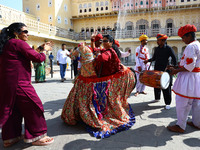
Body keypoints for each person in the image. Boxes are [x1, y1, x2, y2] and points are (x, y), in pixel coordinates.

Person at [61, 34, 136, 138]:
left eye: (106, 41)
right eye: (103, 41)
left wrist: (98, 55)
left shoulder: (110, 51)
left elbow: (103, 58)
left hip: (111, 77)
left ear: (111, 42)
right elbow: (96, 50)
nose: (104, 43)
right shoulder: (104, 50)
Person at [0, 22, 54, 147]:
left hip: (7, 84)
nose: (27, 34)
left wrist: (40, 48)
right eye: (25, 31)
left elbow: (26, 53)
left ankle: (10, 137)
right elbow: (37, 58)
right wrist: (44, 51)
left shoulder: (7, 44)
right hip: (19, 82)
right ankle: (37, 136)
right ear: (15, 32)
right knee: (34, 106)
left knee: (13, 109)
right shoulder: (18, 43)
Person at [167, 24, 200, 133]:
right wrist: (176, 67)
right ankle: (197, 123)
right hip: (196, 77)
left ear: (189, 36)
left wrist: (176, 71)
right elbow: (190, 64)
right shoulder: (198, 44)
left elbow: (189, 67)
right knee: (196, 103)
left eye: (183, 37)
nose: (182, 40)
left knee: (183, 102)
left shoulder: (191, 46)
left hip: (188, 79)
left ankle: (180, 126)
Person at [144, 34, 177, 110]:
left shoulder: (168, 48)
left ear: (163, 41)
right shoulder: (157, 49)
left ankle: (167, 103)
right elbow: (154, 58)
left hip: (165, 70)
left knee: (166, 87)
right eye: (157, 40)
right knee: (156, 84)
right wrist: (148, 61)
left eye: (158, 40)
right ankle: (157, 98)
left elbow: (174, 58)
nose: (157, 41)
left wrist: (173, 66)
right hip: (157, 69)